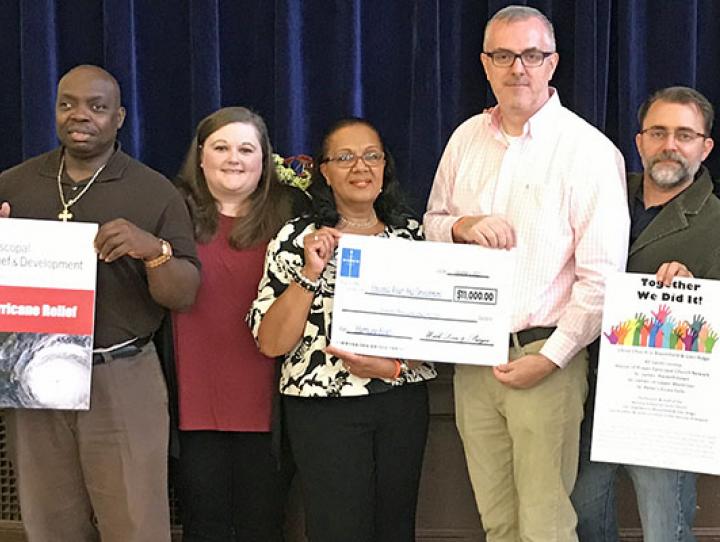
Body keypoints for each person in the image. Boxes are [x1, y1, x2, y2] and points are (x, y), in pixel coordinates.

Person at [423, 5, 629, 540]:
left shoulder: (587, 150)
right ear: (485, 64)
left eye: (532, 55)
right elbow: (431, 225)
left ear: (552, 63)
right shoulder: (464, 139)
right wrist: (462, 225)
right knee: (496, 522)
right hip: (472, 358)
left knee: (546, 525)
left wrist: (554, 358)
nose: (518, 68)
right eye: (504, 55)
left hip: (545, 358)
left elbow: (603, 278)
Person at [0, 64, 200, 542]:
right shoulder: (13, 185)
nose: (80, 115)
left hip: (121, 374)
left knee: (135, 524)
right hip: (33, 370)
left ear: (120, 117)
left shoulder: (154, 190)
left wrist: (153, 250)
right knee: (49, 522)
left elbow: (186, 293)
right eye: (67, 104)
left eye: (96, 106)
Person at [247, 117, 436, 542]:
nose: (361, 167)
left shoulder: (414, 237)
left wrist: (392, 367)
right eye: (345, 157)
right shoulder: (296, 238)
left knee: (395, 526)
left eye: (372, 156)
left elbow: (436, 334)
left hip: (400, 400)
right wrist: (310, 274)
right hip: (323, 409)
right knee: (337, 528)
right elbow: (271, 342)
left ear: (385, 167)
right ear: (324, 171)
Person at [572, 86, 719, 541]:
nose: (669, 145)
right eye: (658, 132)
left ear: (705, 147)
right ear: (639, 142)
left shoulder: (717, 222)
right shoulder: (601, 196)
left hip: (664, 409)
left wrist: (694, 300)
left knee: (664, 531)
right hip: (587, 391)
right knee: (583, 513)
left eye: (684, 134)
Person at [172, 106, 299, 541]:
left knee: (262, 528)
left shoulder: (292, 219)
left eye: (247, 149)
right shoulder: (170, 214)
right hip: (192, 403)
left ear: (264, 161)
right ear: (200, 156)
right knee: (202, 526)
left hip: (267, 405)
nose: (234, 158)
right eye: (221, 147)